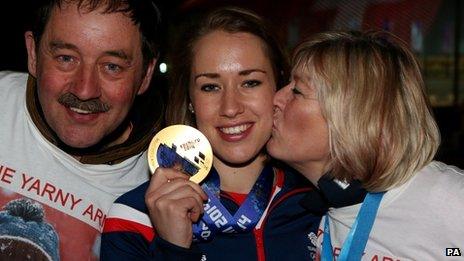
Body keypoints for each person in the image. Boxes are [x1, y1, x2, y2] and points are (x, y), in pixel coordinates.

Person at [101, 7, 322, 260]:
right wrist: (172, 249)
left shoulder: (319, 205)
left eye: (250, 82)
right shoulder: (135, 216)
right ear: (190, 100)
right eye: (210, 87)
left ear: (279, 86)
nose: (230, 108)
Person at [267, 30, 464, 260]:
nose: (276, 98)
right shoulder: (295, 210)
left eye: (297, 91)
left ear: (354, 114)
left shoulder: (449, 200)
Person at [0, 0, 162, 259]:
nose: (85, 90)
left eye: (112, 66)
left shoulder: (157, 188)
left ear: (145, 74)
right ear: (33, 53)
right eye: (66, 58)